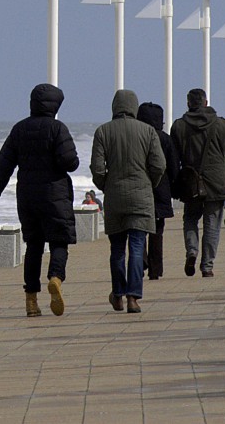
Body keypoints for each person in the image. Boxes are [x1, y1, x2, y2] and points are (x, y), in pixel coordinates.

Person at [0, 83, 80, 318]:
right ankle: (55, 278)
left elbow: (2, 166)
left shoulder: (19, 129)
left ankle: (31, 301)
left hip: (27, 196)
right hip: (54, 195)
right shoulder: (57, 129)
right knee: (59, 242)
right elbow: (70, 163)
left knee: (33, 246)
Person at [91, 89, 165, 314]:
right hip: (141, 197)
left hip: (115, 197)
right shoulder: (148, 131)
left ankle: (118, 295)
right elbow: (159, 164)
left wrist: (105, 184)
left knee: (117, 249)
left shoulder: (103, 131)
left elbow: (97, 167)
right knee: (136, 246)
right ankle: (134, 297)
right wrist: (149, 183)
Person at [169, 88, 225, 278]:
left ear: (188, 103)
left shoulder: (179, 126)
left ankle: (192, 251)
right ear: (205, 102)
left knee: (190, 219)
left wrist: (174, 182)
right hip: (216, 181)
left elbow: (174, 158)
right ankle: (207, 266)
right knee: (212, 223)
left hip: (191, 181)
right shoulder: (221, 124)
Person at [136, 102, 178, 281]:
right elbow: (174, 166)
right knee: (157, 230)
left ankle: (142, 259)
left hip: (139, 187)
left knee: (138, 228)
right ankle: (155, 269)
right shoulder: (165, 139)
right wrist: (173, 186)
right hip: (160, 188)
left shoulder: (137, 136)